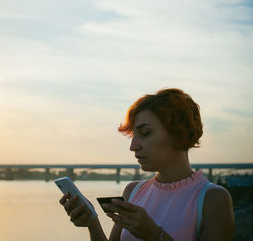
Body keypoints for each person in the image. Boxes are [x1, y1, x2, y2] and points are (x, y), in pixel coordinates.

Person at [59, 88, 235, 241]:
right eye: (133, 135)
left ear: (178, 133)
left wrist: (154, 235)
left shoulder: (212, 199)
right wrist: (93, 223)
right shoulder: (133, 191)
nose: (133, 146)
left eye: (145, 133)